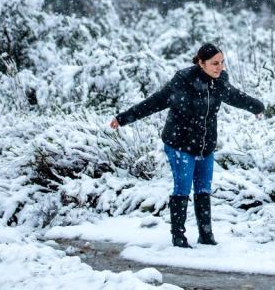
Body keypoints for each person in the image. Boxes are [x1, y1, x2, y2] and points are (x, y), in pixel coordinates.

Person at [110, 43, 264, 248]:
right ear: (201, 63)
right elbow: (155, 102)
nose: (220, 67)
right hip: (179, 144)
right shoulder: (183, 81)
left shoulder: (220, 82)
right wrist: (123, 118)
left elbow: (236, 97)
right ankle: (178, 236)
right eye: (214, 63)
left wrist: (257, 107)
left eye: (222, 63)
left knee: (203, 189)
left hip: (205, 145)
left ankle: (206, 234)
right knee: (183, 188)